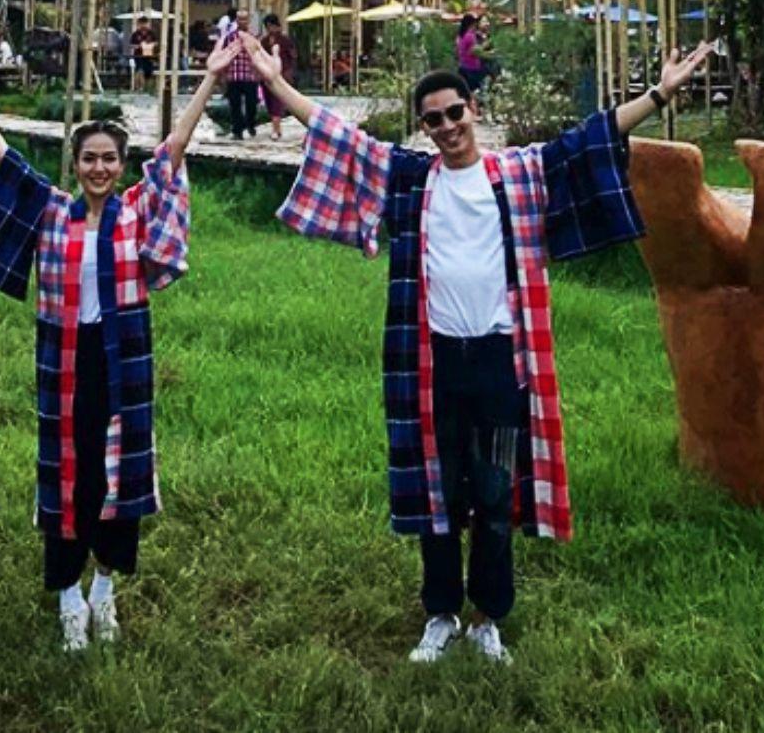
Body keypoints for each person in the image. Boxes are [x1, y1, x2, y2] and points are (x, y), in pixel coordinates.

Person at [243, 33, 711, 665]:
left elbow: (590, 139)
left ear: (474, 110)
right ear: (424, 128)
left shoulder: (517, 174)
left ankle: (488, 616)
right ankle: (440, 612)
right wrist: (275, 83)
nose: (446, 127)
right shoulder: (411, 179)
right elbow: (339, 136)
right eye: (433, 120)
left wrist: (659, 93)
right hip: (432, 361)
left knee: (494, 496)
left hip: (498, 362)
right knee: (437, 495)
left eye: (454, 113)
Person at [0, 34, 241, 652]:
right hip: (64, 364)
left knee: (120, 477)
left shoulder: (135, 212)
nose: (99, 168)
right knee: (69, 475)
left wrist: (211, 79)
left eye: (109, 159)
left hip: (122, 364)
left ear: (120, 165)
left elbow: (173, 150)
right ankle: (67, 593)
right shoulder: (53, 211)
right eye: (89, 158)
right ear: (76, 164)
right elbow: (5, 157)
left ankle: (104, 589)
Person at [222, 8, 260, 140]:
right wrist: (224, 74)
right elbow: (225, 54)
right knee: (234, 105)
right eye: (240, 19)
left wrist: (258, 73)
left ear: (248, 20)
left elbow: (258, 54)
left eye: (245, 19)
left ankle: (250, 125)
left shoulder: (253, 37)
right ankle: (237, 131)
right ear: (236, 20)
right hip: (234, 75)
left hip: (250, 76)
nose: (242, 21)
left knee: (251, 104)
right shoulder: (230, 37)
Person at [259, 13, 297, 141]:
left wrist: (288, 73)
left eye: (271, 26)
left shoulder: (285, 40)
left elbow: (292, 57)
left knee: (277, 102)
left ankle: (275, 129)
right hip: (267, 75)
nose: (270, 29)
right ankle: (277, 128)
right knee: (269, 102)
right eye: (267, 26)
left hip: (281, 76)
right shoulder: (264, 41)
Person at [454, 13, 488, 95]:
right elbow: (475, 51)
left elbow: (458, 51)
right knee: (474, 93)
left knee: (464, 93)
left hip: (462, 67)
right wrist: (485, 45)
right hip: (472, 69)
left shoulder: (459, 36)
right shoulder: (470, 35)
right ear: (471, 24)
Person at [130, 17, 158, 88]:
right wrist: (139, 46)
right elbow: (132, 45)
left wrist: (151, 45)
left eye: (145, 23)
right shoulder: (135, 34)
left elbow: (156, 43)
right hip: (138, 56)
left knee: (149, 72)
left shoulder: (151, 33)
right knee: (140, 70)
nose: (143, 25)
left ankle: (148, 87)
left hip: (149, 56)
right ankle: (139, 86)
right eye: (142, 23)